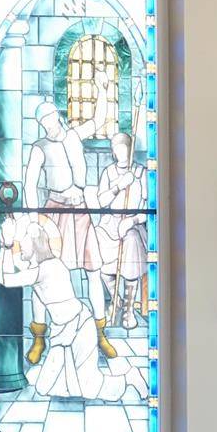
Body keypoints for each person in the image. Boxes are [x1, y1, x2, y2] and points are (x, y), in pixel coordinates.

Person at [0, 214, 146, 401]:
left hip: (80, 328)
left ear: (35, 244)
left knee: (91, 389)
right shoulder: (41, 266)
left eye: (23, 242)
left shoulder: (47, 269)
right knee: (44, 387)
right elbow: (9, 272)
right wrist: (7, 245)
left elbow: (7, 278)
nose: (20, 247)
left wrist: (7, 245)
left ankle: (129, 378)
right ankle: (74, 380)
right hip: (61, 333)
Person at [22, 75, 116, 363]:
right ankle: (40, 337)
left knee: (93, 271)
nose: (48, 126)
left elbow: (99, 120)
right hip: (53, 214)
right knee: (43, 276)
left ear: (57, 117)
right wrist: (34, 220)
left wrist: (102, 89)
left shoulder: (75, 134)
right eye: (43, 123)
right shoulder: (39, 148)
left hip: (81, 211)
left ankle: (101, 334)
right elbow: (28, 185)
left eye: (50, 120)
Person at [95, 132, 148, 329]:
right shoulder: (108, 173)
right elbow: (101, 202)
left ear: (131, 149)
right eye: (117, 148)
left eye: (125, 147)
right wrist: (119, 186)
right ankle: (115, 299)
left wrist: (132, 220)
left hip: (132, 224)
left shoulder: (142, 173)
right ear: (113, 152)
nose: (121, 152)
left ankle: (128, 309)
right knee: (99, 255)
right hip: (109, 224)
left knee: (132, 243)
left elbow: (148, 208)